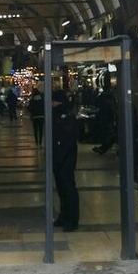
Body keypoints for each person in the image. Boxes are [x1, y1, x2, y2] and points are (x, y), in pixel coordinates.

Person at [51, 89, 80, 232]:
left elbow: (67, 139)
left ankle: (72, 219)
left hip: (65, 160)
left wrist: (60, 157)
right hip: (59, 159)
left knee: (68, 189)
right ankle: (64, 216)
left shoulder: (66, 116)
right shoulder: (57, 115)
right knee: (62, 190)